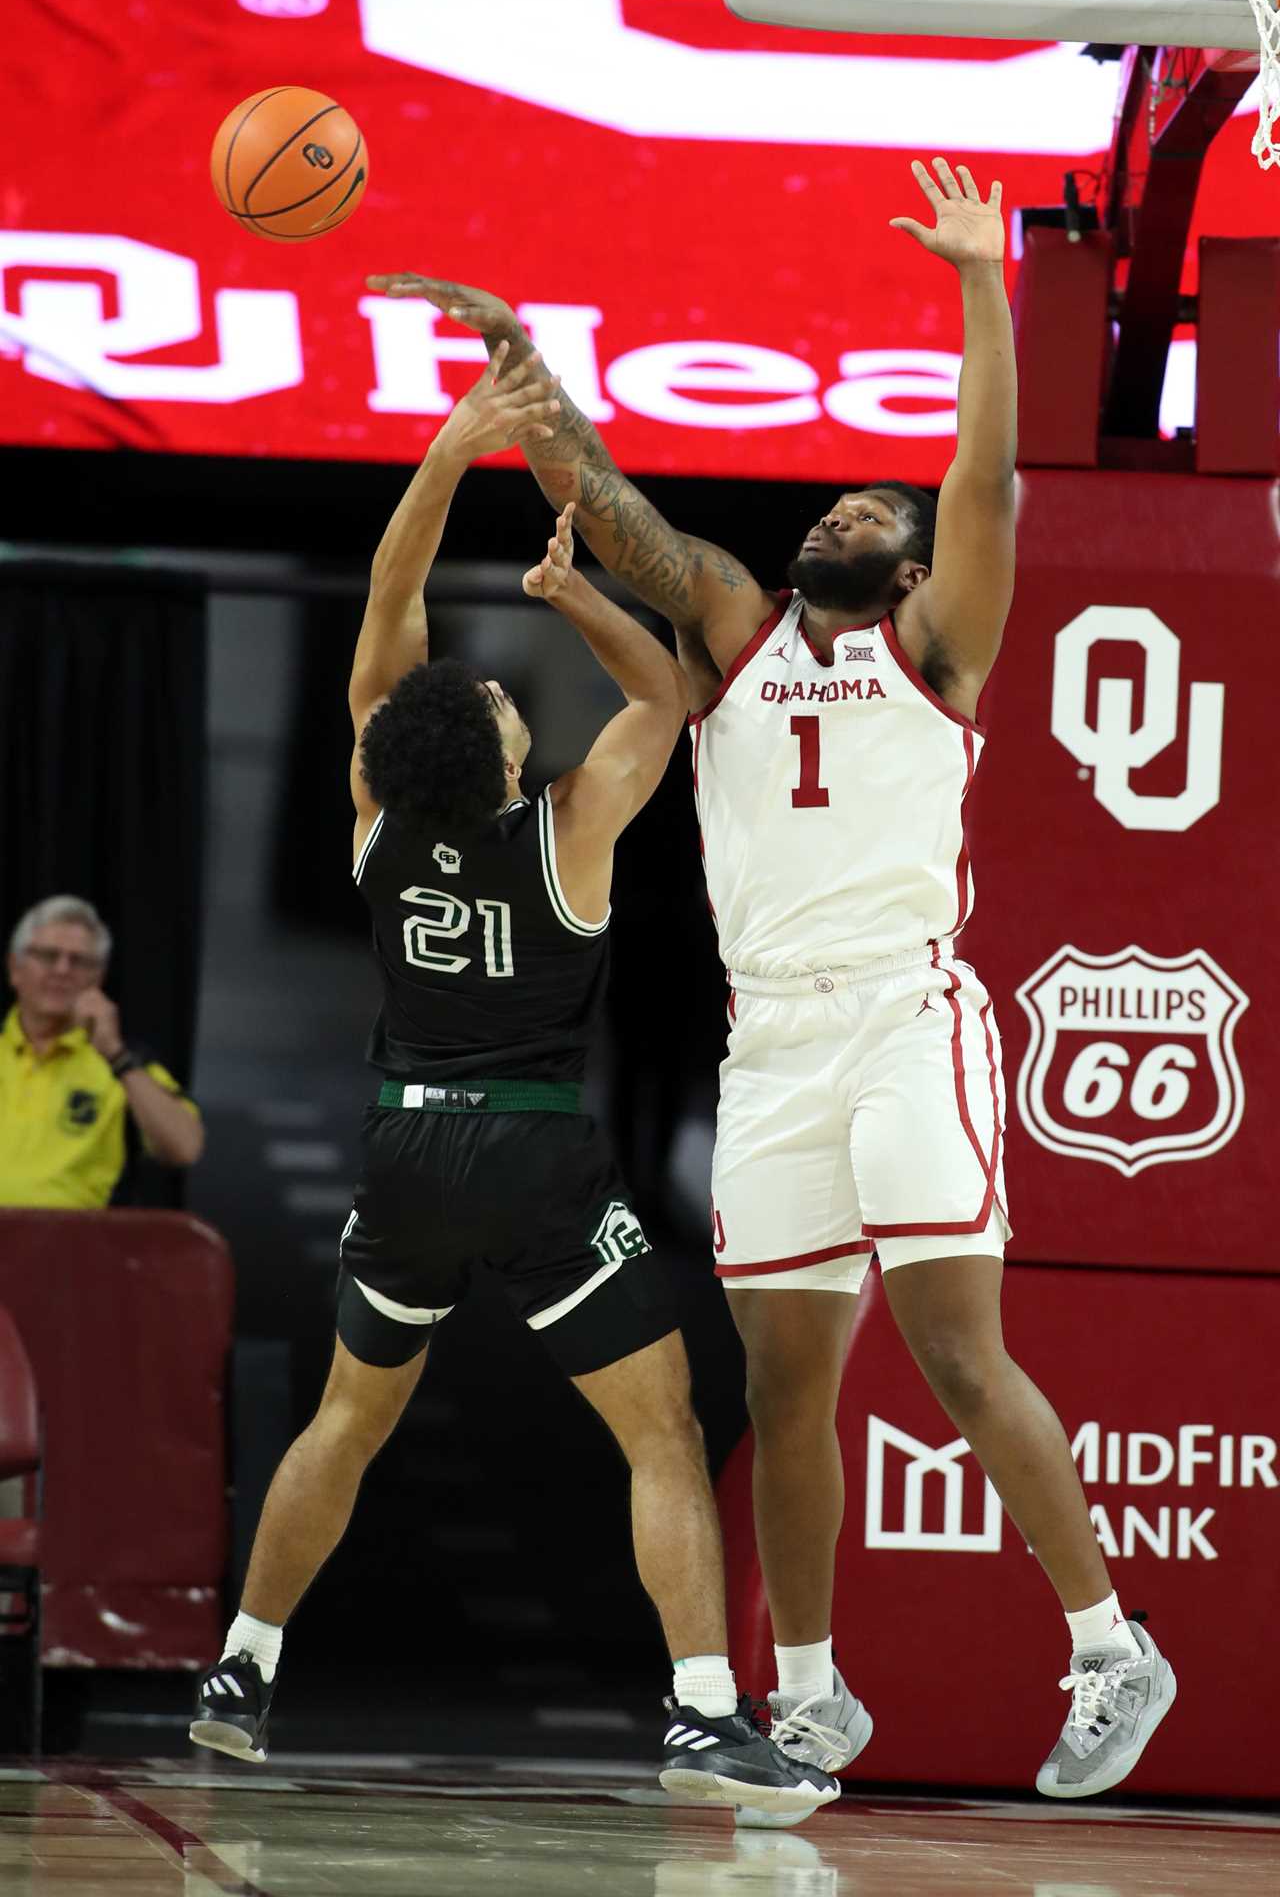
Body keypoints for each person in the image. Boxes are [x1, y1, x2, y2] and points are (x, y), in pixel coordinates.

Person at [366, 157, 1177, 1806]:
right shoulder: (738, 624)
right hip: (773, 1041)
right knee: (782, 1386)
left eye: (869, 516)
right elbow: (614, 508)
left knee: (955, 1349)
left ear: (905, 563)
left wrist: (974, 282)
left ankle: (1112, 1646)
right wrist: (525, 372)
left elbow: (989, 479)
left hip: (904, 1016)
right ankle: (806, 1697)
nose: (838, 516)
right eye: (833, 508)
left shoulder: (937, 645)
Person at [189, 344, 838, 1822]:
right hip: (536, 1157)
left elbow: (385, 607)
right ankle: (694, 1715)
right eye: (490, 698)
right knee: (661, 1428)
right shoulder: (568, 831)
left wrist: (440, 459)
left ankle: (241, 1668)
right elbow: (672, 698)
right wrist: (570, 595)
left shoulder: (379, 824)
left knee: (347, 1423)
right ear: (491, 755)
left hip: (407, 1156)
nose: (493, 690)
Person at [0, 894, 203, 1207]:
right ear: (15, 968)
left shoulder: (124, 1062)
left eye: (80, 961)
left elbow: (184, 1148)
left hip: (78, 1247)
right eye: (48, 955)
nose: (62, 969)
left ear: (98, 978)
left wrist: (115, 1055)